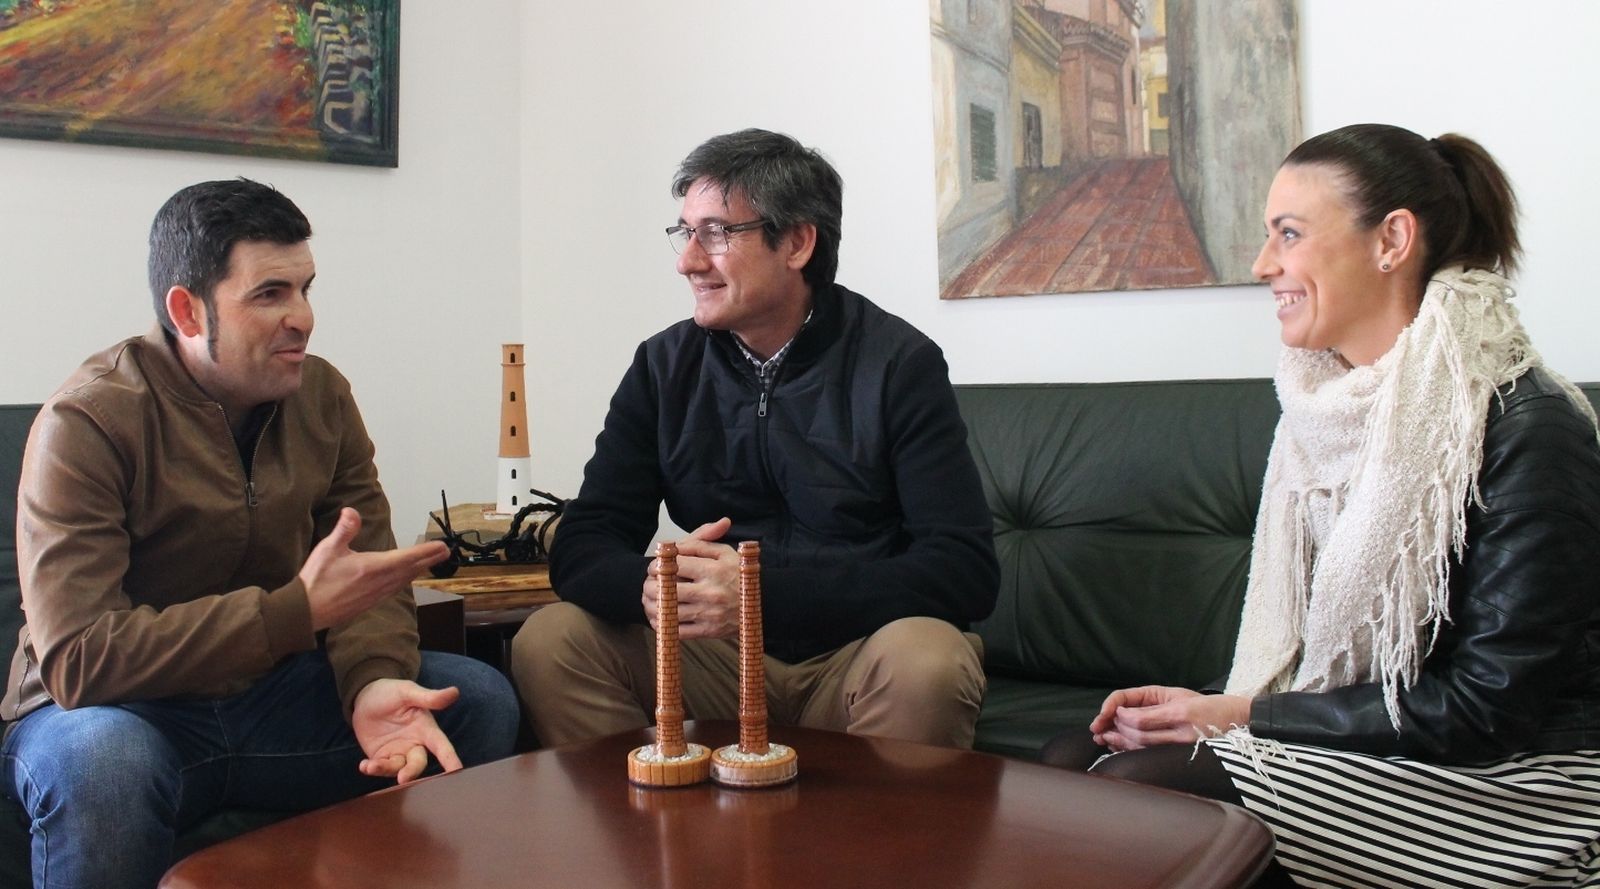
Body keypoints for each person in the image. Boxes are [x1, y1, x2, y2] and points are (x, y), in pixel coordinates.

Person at [1041, 123, 1600, 887]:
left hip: (1512, 778)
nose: (1262, 263)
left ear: (1391, 240)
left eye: (1290, 235)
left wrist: (1238, 715)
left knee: (1141, 795)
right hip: (1370, 735)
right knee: (1072, 761)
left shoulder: (1525, 424)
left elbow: (1485, 709)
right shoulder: (1319, 413)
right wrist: (1218, 703)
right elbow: (1305, 654)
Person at [0, 179, 520, 889]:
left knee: (477, 699)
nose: (302, 317)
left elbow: (364, 576)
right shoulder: (88, 422)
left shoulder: (324, 396)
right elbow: (80, 659)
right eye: (269, 294)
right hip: (117, 714)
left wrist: (373, 678)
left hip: (269, 699)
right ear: (186, 310)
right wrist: (293, 613)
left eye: (306, 288)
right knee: (105, 762)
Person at [511, 128, 998, 750]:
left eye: (715, 233)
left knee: (929, 661)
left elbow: (962, 571)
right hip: (712, 659)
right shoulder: (663, 368)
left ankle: (872, 847)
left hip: (855, 657)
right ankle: (656, 840)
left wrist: (757, 594)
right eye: (684, 232)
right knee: (553, 639)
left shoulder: (899, 365)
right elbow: (585, 541)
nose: (687, 261)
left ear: (796, 242)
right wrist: (654, 587)